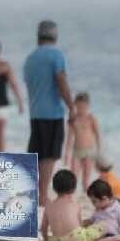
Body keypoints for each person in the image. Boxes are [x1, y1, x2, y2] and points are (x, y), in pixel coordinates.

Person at [23, 20, 74, 205]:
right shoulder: (56, 56)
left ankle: (35, 191)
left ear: (38, 36)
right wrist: (71, 106)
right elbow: (61, 80)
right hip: (52, 112)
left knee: (37, 154)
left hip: (35, 111)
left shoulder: (30, 58)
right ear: (55, 36)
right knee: (49, 155)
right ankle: (42, 196)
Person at [41, 169, 103, 241]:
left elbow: (43, 228)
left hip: (56, 240)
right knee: (102, 226)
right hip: (75, 238)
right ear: (73, 189)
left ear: (54, 188)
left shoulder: (48, 206)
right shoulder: (75, 204)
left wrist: (46, 239)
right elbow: (79, 225)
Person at [65, 92, 100, 190]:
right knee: (73, 177)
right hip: (76, 152)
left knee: (85, 180)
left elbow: (97, 135)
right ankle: (71, 197)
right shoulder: (73, 120)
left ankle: (87, 197)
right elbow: (69, 138)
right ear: (75, 105)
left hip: (89, 151)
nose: (81, 109)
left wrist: (99, 151)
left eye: (84, 106)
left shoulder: (91, 118)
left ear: (88, 105)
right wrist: (66, 154)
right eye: (79, 106)